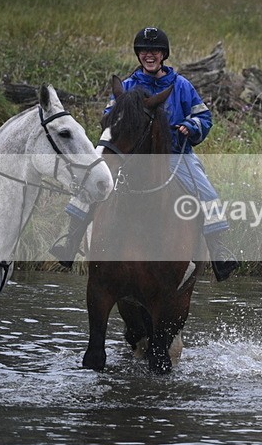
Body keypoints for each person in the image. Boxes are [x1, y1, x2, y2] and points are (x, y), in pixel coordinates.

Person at [50, 27, 239, 282]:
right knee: (93, 181)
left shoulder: (181, 85)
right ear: (139, 54)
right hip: (129, 155)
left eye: (155, 51)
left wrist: (191, 126)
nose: (149, 55)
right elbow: (109, 115)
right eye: (144, 51)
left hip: (174, 154)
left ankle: (218, 250)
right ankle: (70, 239)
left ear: (163, 55)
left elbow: (203, 116)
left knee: (206, 190)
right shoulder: (127, 86)